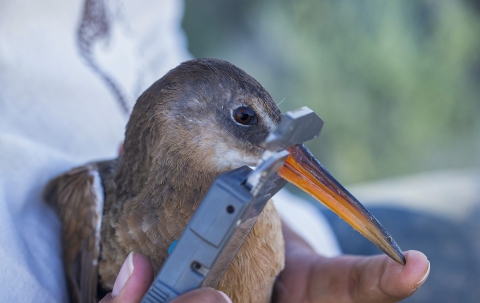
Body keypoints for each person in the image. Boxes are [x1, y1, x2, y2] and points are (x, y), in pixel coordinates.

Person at [0, 0, 429, 302]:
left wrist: (290, 243)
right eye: (245, 119)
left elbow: (146, 43)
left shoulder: (240, 176)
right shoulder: (90, 203)